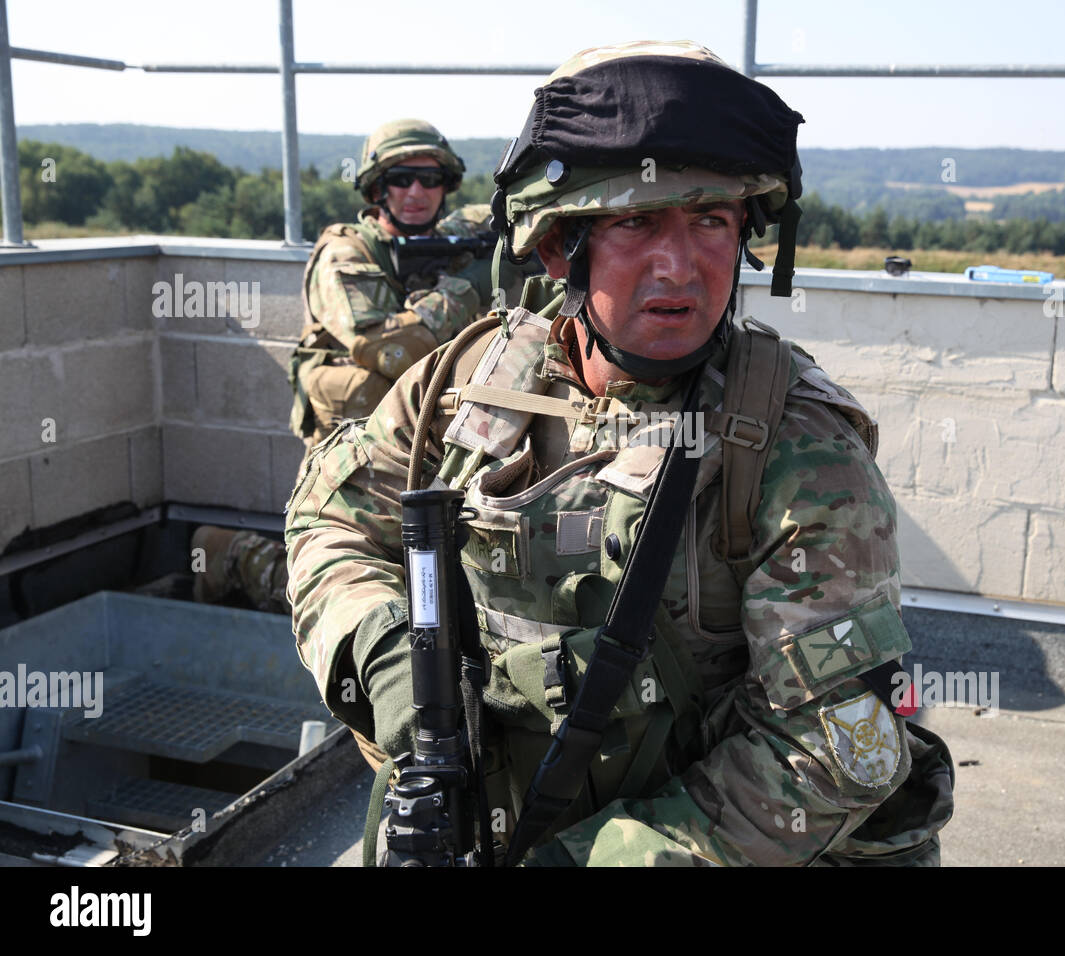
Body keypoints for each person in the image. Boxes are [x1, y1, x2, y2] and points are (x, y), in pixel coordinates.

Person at [284, 40, 953, 866]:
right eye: (637, 221)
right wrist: (393, 677)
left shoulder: (794, 447)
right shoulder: (469, 381)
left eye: (712, 220)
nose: (681, 266)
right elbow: (329, 524)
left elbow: (831, 749)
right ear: (562, 245)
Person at [192, 119, 527, 615]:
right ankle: (232, 556)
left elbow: (510, 213)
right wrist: (468, 288)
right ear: (376, 187)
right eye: (400, 179)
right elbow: (386, 348)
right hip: (350, 451)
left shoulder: (454, 236)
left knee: (430, 576)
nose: (417, 192)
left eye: (430, 179)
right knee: (350, 586)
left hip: (425, 438)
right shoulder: (345, 252)